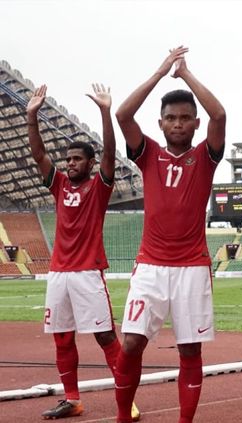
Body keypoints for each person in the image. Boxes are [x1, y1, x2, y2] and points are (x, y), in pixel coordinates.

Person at [113, 46, 226, 423]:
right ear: (160, 124)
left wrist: (187, 74)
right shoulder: (147, 155)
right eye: (170, 118)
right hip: (150, 266)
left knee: (190, 350)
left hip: (192, 267)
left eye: (185, 118)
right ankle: (122, 417)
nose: (177, 123)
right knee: (130, 343)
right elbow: (122, 114)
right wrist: (161, 71)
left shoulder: (205, 158)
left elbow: (220, 113)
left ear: (195, 124)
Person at [27, 84, 139, 421]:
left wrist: (106, 111)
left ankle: (126, 398)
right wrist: (31, 116)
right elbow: (38, 155)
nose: (70, 164)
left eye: (77, 159)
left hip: (88, 272)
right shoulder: (59, 184)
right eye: (68, 160)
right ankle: (72, 400)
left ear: (90, 163)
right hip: (59, 272)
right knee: (62, 338)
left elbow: (110, 154)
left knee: (105, 336)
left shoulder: (99, 186)